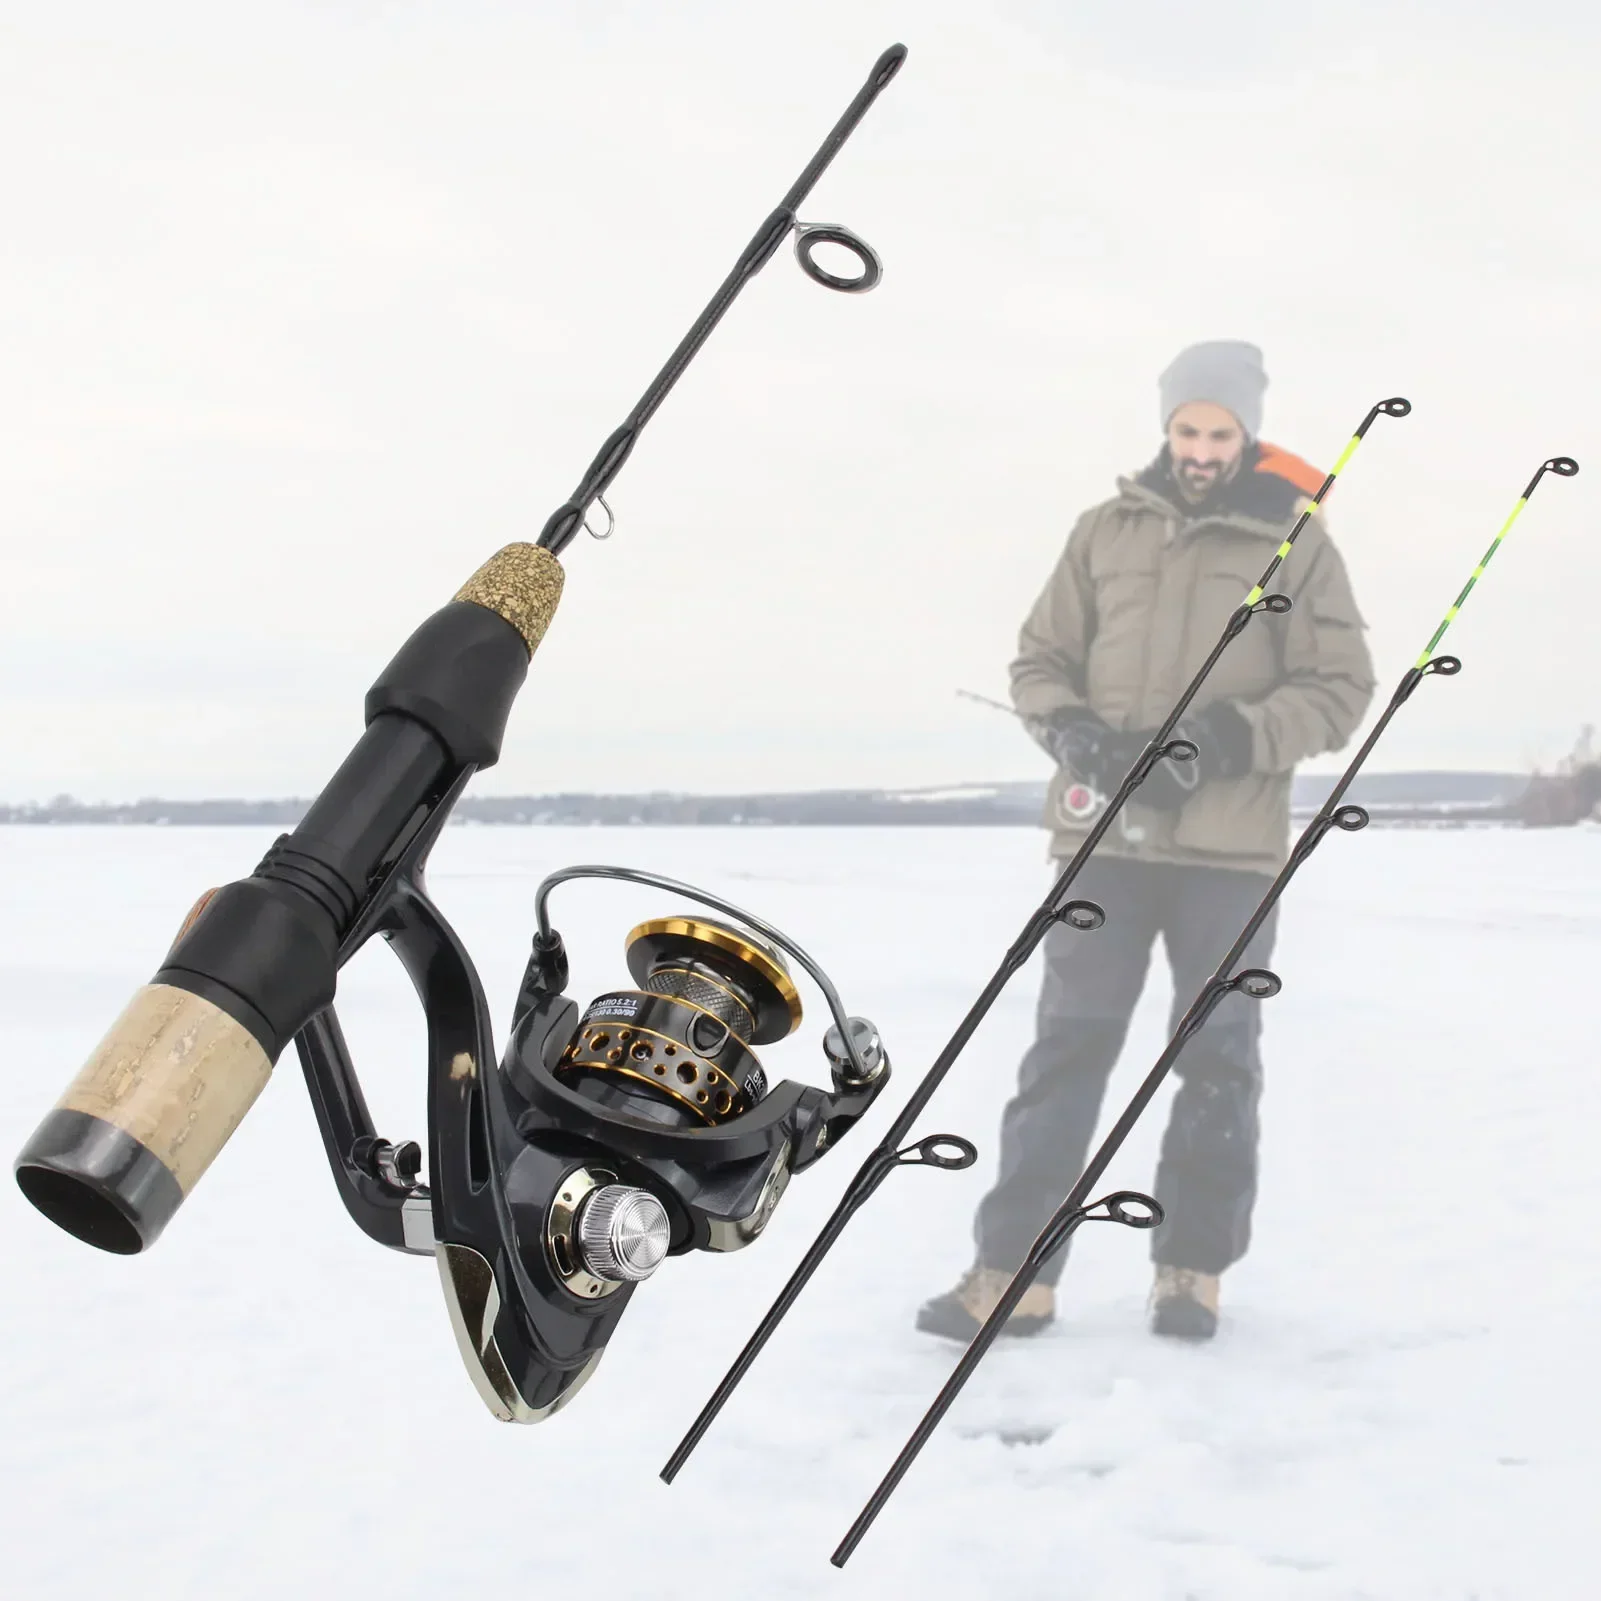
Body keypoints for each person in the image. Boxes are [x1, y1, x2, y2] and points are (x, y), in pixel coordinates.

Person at [918, 340, 1376, 1344]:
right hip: (1104, 843)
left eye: (1219, 432)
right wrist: (1070, 730)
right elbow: (1038, 660)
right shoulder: (1103, 528)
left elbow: (1340, 688)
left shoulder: (1295, 541)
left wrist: (1225, 740)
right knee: (1065, 1049)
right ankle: (1013, 1274)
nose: (1200, 449)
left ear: (1246, 433)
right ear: (1165, 427)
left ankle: (1188, 1272)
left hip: (1229, 857)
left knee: (1218, 1057)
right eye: (1186, 429)